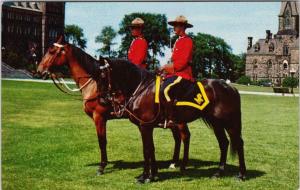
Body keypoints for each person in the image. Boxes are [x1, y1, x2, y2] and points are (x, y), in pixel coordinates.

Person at [160, 15, 194, 127]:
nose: (174, 28)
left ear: (182, 27)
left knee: (165, 90)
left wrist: (166, 67)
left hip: (183, 74)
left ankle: (171, 119)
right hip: (175, 73)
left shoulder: (187, 41)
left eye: (176, 26)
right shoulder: (178, 41)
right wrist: (165, 70)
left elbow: (182, 63)